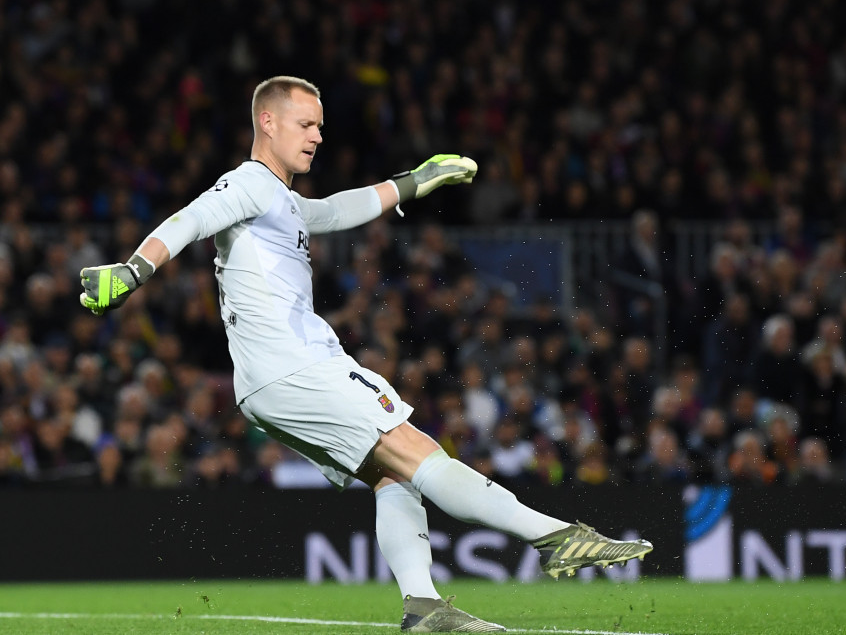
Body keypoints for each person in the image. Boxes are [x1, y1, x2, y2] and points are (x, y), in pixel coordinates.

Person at [78, 76, 652, 633]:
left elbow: (334, 211)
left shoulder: (281, 201)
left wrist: (413, 182)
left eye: (320, 126)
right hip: (295, 366)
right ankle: (554, 538)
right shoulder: (249, 183)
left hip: (267, 381)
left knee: (389, 477)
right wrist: (135, 269)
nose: (318, 136)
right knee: (417, 451)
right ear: (267, 121)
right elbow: (191, 219)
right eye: (306, 124)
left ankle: (423, 607)